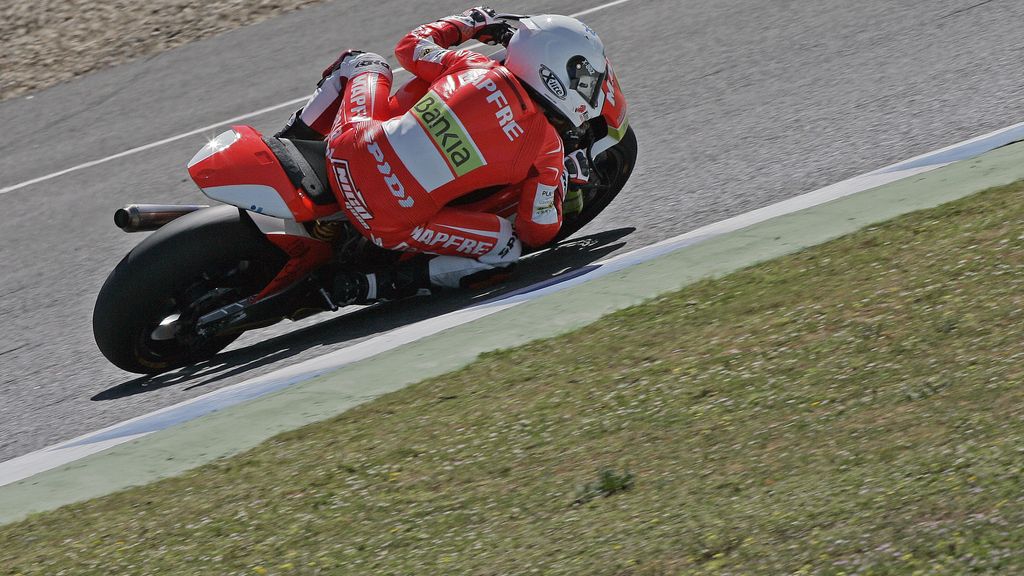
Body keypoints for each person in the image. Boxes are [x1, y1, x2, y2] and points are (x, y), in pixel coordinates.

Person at [276, 7, 605, 303]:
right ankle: (368, 285)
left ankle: (286, 145)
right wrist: (564, 179)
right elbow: (537, 231)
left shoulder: (472, 64)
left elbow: (410, 46)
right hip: (388, 223)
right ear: (555, 73)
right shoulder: (548, 147)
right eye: (586, 80)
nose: (591, 89)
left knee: (364, 62)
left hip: (345, 153)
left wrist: (469, 23)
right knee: (506, 249)